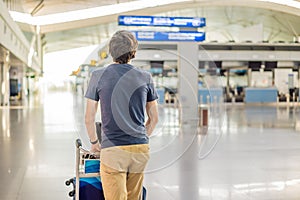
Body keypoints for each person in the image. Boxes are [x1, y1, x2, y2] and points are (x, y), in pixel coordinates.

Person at [84, 30, 159, 200]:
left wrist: (95, 143)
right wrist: (141, 137)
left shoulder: (97, 76)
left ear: (111, 51)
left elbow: (89, 118)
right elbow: (154, 118)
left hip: (113, 149)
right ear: (133, 52)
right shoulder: (145, 77)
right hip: (140, 149)